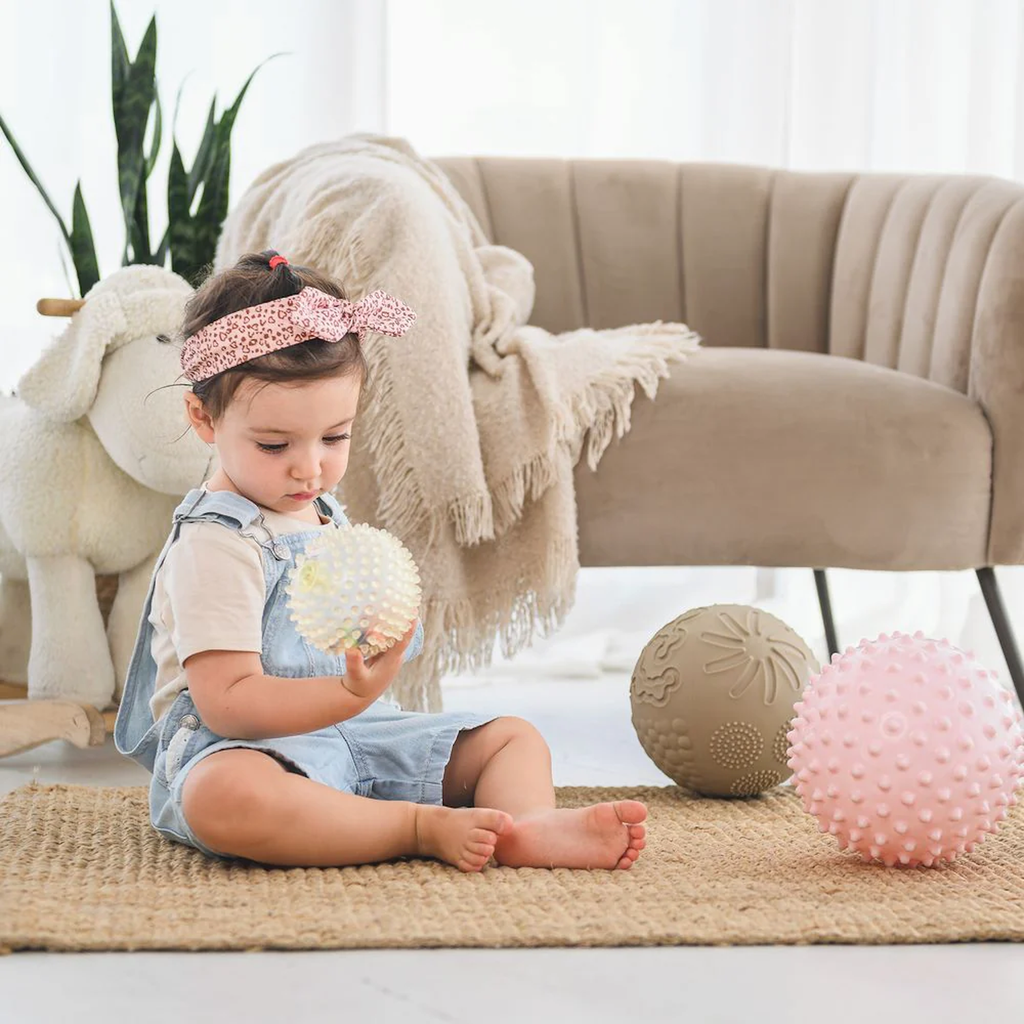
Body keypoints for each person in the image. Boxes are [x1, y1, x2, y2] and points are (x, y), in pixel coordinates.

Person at [115, 250, 647, 872]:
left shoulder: (317, 510)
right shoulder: (216, 544)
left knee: (512, 739)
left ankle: (524, 828)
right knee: (224, 798)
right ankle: (413, 827)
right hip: (244, 748)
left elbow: (354, 632)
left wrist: (387, 622)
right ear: (203, 418)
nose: (309, 467)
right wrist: (345, 692)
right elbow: (227, 703)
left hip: (356, 735)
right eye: (274, 444)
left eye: (334, 437)